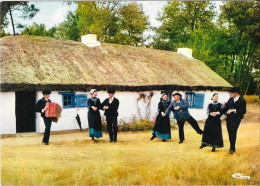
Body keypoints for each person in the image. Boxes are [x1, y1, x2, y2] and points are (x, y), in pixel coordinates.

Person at [222, 87, 246, 154]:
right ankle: (232, 147)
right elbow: (226, 108)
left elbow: (244, 111)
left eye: (232, 93)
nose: (231, 94)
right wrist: (219, 112)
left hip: (237, 119)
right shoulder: (230, 99)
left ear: (236, 93)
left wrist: (233, 110)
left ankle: (232, 148)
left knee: (233, 131)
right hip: (229, 118)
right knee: (230, 132)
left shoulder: (242, 100)